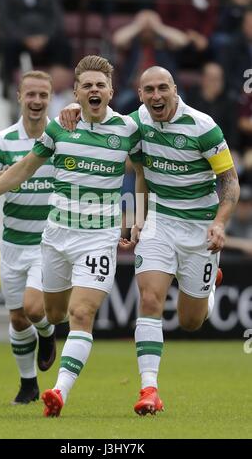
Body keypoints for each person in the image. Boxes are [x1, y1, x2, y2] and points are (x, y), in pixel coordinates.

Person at [0, 55, 142, 417]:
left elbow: (143, 171)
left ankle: (57, 392)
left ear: (111, 91)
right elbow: (25, 168)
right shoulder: (60, 128)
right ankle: (47, 338)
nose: (93, 90)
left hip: (98, 237)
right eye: (86, 85)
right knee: (50, 313)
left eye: (100, 85)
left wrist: (136, 218)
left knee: (81, 312)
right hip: (56, 235)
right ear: (75, 92)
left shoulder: (127, 130)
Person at [58, 66, 240, 416]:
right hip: (159, 223)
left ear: (175, 89)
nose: (156, 96)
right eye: (148, 90)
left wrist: (219, 224)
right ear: (139, 94)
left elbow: (229, 183)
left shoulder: (203, 127)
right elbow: (103, 120)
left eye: (162, 89)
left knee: (191, 320)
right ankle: (149, 389)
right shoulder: (137, 122)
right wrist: (75, 109)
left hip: (200, 229)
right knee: (151, 298)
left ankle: (209, 287)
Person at [0, 70, 57, 405]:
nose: (36, 101)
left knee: (34, 309)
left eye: (43, 95)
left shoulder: (61, 136)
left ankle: (48, 334)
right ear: (20, 96)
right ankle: (28, 384)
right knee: (18, 317)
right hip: (12, 243)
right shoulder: (3, 140)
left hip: (46, 242)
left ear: (50, 98)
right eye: (31, 95)